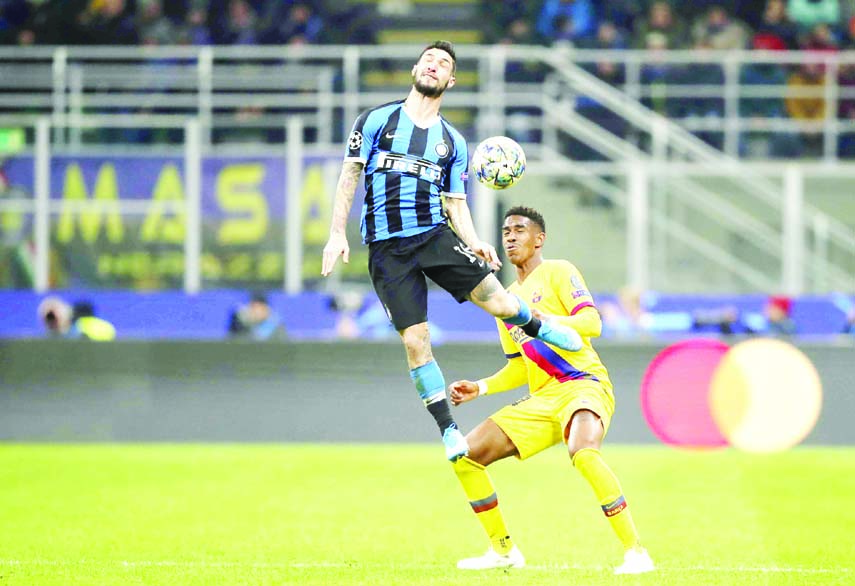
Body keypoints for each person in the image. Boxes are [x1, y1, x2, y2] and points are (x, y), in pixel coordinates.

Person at [321, 41, 584, 461]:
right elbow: (349, 173)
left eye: (443, 63)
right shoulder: (375, 121)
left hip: (435, 236)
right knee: (415, 341)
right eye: (428, 60)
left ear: (451, 81)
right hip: (388, 251)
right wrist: (337, 234)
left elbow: (455, 201)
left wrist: (475, 240)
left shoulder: (452, 142)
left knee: (499, 301)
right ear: (415, 69)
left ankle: (546, 329)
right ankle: (448, 430)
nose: (433, 66)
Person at [447, 206, 655, 575]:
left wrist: (539, 319)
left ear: (539, 239)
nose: (510, 237)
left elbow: (592, 323)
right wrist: (480, 387)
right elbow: (519, 366)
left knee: (583, 452)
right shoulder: (504, 300)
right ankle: (503, 551)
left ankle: (636, 553)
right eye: (506, 231)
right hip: (543, 398)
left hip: (583, 384)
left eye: (519, 230)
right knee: (465, 456)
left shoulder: (559, 271)